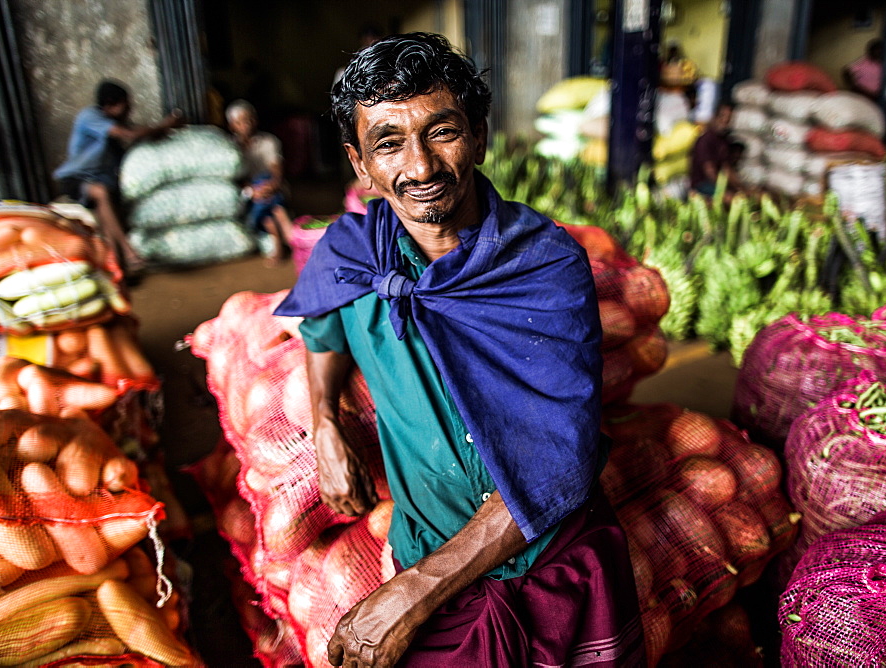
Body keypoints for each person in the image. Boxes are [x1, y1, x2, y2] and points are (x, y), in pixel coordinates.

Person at [275, 32, 645, 667]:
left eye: (440, 132)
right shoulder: (354, 254)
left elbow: (559, 462)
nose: (419, 168)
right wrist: (326, 423)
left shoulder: (543, 266)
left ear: (477, 132)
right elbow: (321, 326)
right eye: (388, 143)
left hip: (548, 568)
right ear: (360, 165)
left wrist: (411, 593)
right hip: (427, 548)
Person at [53, 79, 182, 275]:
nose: (130, 109)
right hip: (75, 180)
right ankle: (129, 252)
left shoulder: (117, 122)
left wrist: (165, 129)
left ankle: (118, 267)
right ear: (111, 104)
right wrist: (164, 125)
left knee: (108, 214)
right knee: (101, 193)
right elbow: (128, 135)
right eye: (126, 104)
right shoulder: (90, 116)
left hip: (103, 182)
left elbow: (141, 133)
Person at [226, 99, 293, 263]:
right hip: (249, 194)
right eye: (240, 122)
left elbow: (276, 171)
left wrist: (271, 185)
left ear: (255, 120)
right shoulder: (229, 148)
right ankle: (284, 228)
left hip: (272, 190)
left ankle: (276, 235)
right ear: (232, 125)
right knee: (265, 203)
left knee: (264, 182)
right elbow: (232, 179)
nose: (246, 125)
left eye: (249, 119)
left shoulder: (269, 141)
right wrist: (251, 190)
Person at [689, 102, 744, 197]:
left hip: (718, 184)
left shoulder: (724, 140)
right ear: (715, 117)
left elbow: (727, 168)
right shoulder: (705, 140)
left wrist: (740, 187)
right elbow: (710, 172)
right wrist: (727, 189)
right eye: (723, 116)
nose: (725, 120)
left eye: (729, 118)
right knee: (730, 199)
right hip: (703, 185)